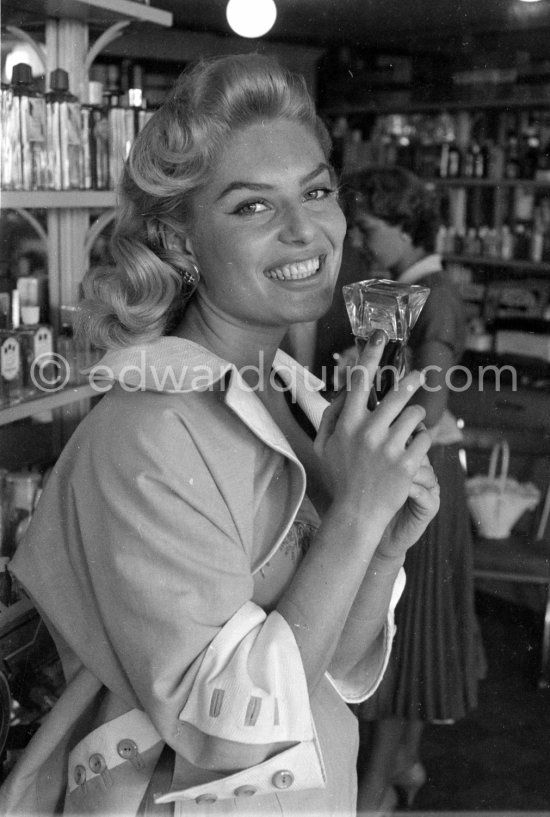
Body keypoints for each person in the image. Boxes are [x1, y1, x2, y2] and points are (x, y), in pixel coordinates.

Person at [0, 57, 439, 817]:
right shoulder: (149, 429)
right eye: (251, 208)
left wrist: (381, 539)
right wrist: (356, 518)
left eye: (316, 190)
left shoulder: (298, 398)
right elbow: (228, 730)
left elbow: (327, 664)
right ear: (177, 239)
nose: (307, 228)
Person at [334, 167, 481, 814]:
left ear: (404, 225)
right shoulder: (396, 287)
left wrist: (355, 388)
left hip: (417, 468)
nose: (361, 244)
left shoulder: (436, 294)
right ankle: (402, 768)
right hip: (398, 462)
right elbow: (370, 368)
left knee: (405, 625)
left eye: (368, 229)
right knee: (404, 622)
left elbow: (425, 403)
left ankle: (373, 791)